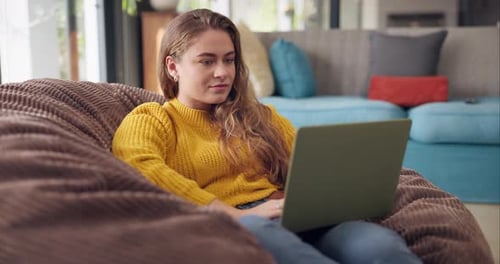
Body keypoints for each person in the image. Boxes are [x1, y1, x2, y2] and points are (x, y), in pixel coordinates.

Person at [112, 8, 422, 264]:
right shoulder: (153, 119)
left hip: (295, 214)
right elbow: (142, 170)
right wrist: (231, 213)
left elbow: (310, 165)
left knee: (380, 248)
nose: (223, 72)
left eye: (229, 59)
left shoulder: (262, 116)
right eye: (207, 61)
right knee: (269, 237)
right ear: (173, 67)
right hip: (234, 223)